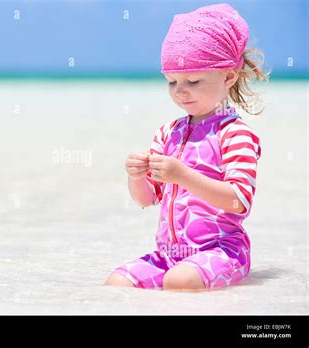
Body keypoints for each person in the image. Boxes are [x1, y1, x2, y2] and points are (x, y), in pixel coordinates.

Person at [104, 3, 268, 291]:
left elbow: (238, 202)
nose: (180, 90)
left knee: (179, 281)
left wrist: (182, 175)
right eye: (172, 82)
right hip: (170, 255)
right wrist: (136, 176)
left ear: (228, 76)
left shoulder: (234, 134)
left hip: (222, 252)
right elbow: (146, 199)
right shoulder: (169, 133)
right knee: (117, 283)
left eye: (193, 81)